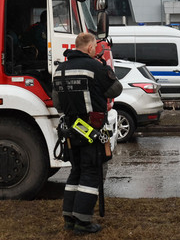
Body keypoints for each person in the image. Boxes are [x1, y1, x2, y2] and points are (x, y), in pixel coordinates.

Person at [52, 32, 122, 234]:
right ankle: (83, 222)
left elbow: (57, 103)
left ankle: (69, 218)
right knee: (92, 173)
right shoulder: (95, 67)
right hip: (92, 129)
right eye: (95, 47)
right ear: (91, 47)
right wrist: (106, 69)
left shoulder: (60, 69)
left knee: (76, 171)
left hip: (70, 130)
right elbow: (115, 90)